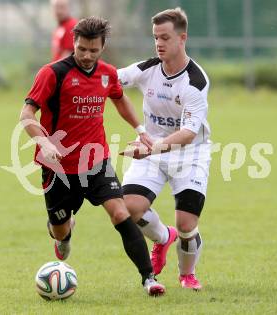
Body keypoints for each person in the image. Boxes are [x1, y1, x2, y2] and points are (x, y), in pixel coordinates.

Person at [20, 17, 165, 296]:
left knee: (121, 213)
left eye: (93, 50)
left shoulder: (108, 74)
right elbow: (26, 114)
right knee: (60, 231)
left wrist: (139, 129)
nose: (86, 55)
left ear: (103, 47)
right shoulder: (52, 73)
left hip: (96, 161)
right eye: (81, 49)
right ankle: (64, 229)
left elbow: (119, 97)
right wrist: (44, 141)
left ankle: (149, 278)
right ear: (74, 43)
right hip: (58, 167)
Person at [118, 7, 212, 290]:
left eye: (165, 38)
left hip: (189, 153)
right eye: (155, 37)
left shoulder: (195, 82)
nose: (159, 43)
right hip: (153, 149)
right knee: (131, 207)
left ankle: (187, 274)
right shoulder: (147, 69)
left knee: (186, 223)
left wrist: (154, 147)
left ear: (182, 38)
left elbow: (187, 133)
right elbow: (109, 79)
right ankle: (161, 239)